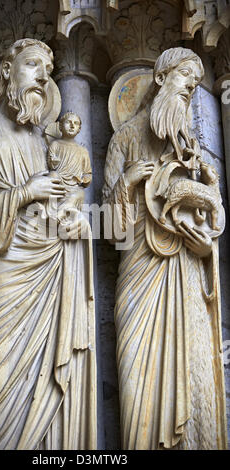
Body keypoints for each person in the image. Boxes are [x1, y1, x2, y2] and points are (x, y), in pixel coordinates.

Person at [0, 38, 97, 450]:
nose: (42, 76)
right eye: (33, 65)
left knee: (50, 387)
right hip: (4, 271)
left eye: (48, 71)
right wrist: (23, 192)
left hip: (50, 268)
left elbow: (63, 203)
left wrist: (73, 223)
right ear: (6, 71)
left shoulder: (44, 144)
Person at [102, 47, 227, 450]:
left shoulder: (192, 156)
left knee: (193, 378)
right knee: (137, 377)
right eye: (184, 81)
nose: (189, 92)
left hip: (187, 279)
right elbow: (111, 232)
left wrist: (208, 251)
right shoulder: (122, 140)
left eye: (194, 89)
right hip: (139, 274)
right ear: (159, 80)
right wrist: (125, 186)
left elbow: (211, 226)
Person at [46, 111, 92, 220]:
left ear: (79, 129)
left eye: (76, 123)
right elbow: (50, 164)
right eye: (69, 122)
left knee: (80, 193)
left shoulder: (83, 151)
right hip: (59, 184)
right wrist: (53, 163)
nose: (72, 126)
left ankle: (61, 212)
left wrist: (82, 180)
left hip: (74, 187)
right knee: (52, 175)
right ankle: (51, 211)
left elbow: (88, 174)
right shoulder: (55, 145)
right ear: (61, 127)